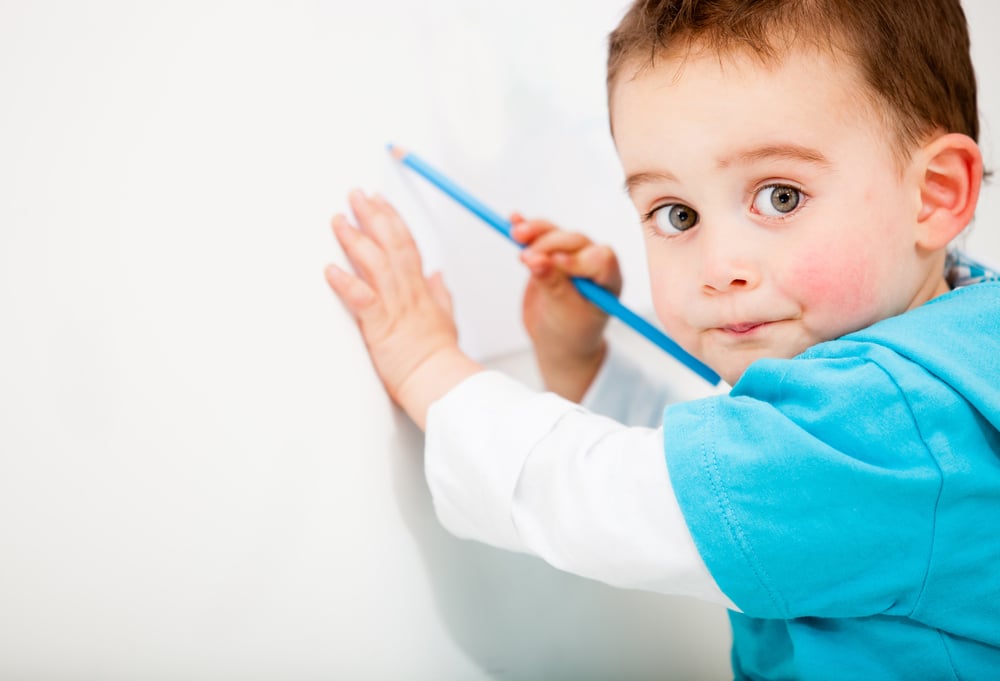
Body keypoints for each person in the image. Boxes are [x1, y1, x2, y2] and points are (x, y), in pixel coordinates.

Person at [325, 0, 1000, 677]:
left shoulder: (893, 427)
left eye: (781, 196)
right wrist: (579, 359)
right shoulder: (957, 347)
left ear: (936, 194)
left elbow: (616, 500)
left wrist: (426, 363)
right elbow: (721, 467)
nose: (717, 267)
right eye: (676, 213)